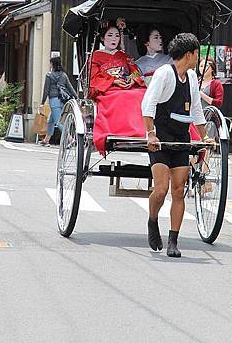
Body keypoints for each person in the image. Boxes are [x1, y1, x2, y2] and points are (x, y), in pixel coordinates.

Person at [142, 33, 212, 258]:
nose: (197, 59)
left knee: (179, 191)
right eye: (196, 54)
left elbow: (197, 110)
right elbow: (148, 103)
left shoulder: (191, 78)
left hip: (181, 138)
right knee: (161, 190)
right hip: (160, 138)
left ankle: (173, 240)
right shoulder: (164, 74)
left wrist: (203, 137)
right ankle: (153, 221)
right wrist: (150, 134)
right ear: (189, 54)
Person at [90, 20, 146, 154]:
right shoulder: (95, 56)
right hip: (109, 89)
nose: (114, 39)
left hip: (128, 86)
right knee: (122, 96)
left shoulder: (124, 56)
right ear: (103, 38)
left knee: (142, 94)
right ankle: (122, 131)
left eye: (116, 35)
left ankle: (143, 131)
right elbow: (94, 77)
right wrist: (113, 81)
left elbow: (135, 71)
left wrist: (133, 80)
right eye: (110, 35)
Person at [40, 56, 76, 146]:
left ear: (52, 64)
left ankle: (70, 139)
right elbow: (70, 87)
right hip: (63, 100)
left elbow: (46, 90)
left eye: (50, 63)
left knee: (58, 122)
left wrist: (42, 102)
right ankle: (46, 140)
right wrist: (76, 97)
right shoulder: (64, 75)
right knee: (51, 121)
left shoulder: (49, 75)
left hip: (54, 100)